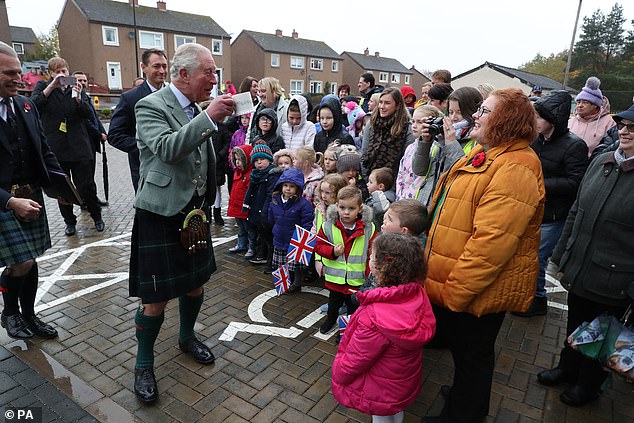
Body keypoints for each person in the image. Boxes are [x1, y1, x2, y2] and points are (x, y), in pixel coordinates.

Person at [423, 88, 545, 423]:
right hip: (459, 282)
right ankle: (462, 397)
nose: (476, 115)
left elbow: (491, 245)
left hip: (474, 289)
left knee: (473, 359)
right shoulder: (488, 152)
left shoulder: (516, 168)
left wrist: (455, 293)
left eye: (485, 111)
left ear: (506, 121)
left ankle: (464, 415)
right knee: (465, 357)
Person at [128, 42, 235, 403]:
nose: (214, 79)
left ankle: (187, 338)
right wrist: (208, 119)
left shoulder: (197, 108)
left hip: (194, 212)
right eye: (209, 72)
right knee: (155, 298)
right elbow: (168, 149)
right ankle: (144, 363)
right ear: (185, 74)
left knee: (195, 284)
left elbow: (202, 157)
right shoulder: (150, 105)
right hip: (160, 213)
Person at [537, 104, 634, 407]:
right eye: (622, 125)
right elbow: (576, 211)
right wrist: (561, 255)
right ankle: (567, 369)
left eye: (633, 128)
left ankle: (589, 386)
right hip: (581, 268)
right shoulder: (603, 161)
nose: (624, 131)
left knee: (601, 334)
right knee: (576, 324)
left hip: (616, 280)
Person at [331, 233, 435, 423]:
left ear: (384, 267)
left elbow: (357, 358)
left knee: (381, 415)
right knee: (394, 409)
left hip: (379, 385)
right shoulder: (417, 293)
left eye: (372, 255)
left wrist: (339, 373)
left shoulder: (374, 316)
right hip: (400, 378)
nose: (369, 257)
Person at [0, 42, 63, 340]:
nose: (19, 78)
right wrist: (10, 201)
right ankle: (10, 313)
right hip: (4, 200)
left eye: (19, 72)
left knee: (31, 258)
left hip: (31, 193)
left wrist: (61, 186)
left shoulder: (26, 105)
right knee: (22, 260)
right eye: (9, 73)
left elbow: (44, 150)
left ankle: (29, 316)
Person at [513, 91, 588, 317]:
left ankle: (537, 299)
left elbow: (576, 182)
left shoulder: (575, 145)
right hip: (531, 209)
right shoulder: (535, 139)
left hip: (554, 215)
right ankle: (527, 296)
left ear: (552, 120)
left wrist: (538, 183)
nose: (533, 121)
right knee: (527, 256)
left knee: (536, 258)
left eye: (538, 117)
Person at [31, 56, 104, 236]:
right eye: (57, 72)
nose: (61, 74)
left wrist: (78, 97)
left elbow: (87, 114)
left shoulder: (76, 87)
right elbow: (34, 105)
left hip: (79, 147)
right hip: (56, 148)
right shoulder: (43, 87)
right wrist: (52, 86)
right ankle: (69, 221)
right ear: (51, 73)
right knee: (63, 190)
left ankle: (96, 216)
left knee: (86, 186)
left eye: (64, 71)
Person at [315, 186, 377, 334]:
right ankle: (330, 320)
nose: (346, 212)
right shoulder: (328, 226)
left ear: (360, 209)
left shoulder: (369, 228)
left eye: (351, 208)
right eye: (342, 208)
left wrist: (368, 275)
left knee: (352, 307)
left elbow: (373, 254)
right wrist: (332, 251)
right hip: (335, 278)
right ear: (337, 206)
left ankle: (347, 331)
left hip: (357, 279)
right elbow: (318, 247)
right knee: (333, 303)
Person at [108, 49, 168, 192]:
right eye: (156, 66)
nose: (162, 71)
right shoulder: (130, 98)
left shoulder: (174, 94)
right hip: (145, 171)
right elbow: (115, 135)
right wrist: (144, 148)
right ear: (143, 67)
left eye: (164, 66)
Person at [268, 167, 314, 292]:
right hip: (279, 237)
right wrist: (274, 229)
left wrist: (303, 237)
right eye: (285, 185)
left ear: (298, 188)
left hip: (295, 240)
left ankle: (297, 283)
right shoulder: (275, 201)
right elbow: (271, 218)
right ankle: (284, 283)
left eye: (292, 186)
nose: (288, 189)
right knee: (281, 263)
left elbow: (307, 222)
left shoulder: (303, 204)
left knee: (297, 265)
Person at [73, 71, 109, 208]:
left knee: (90, 174)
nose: (82, 83)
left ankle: (92, 198)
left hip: (91, 142)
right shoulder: (75, 98)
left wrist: (102, 131)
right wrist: (98, 134)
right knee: (84, 176)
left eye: (84, 80)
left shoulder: (86, 96)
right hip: (83, 141)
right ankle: (85, 201)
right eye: (79, 80)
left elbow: (94, 117)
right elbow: (86, 121)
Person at [361, 87, 415, 178]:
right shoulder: (372, 124)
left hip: (394, 180)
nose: (382, 106)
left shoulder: (407, 129)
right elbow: (364, 155)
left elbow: (407, 161)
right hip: (369, 178)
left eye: (387, 103)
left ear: (398, 105)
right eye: (380, 102)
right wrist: (368, 179)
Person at [242, 142, 279, 268]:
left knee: (268, 235)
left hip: (266, 211)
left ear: (269, 160)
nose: (259, 163)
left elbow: (270, 195)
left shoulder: (272, 175)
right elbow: (250, 192)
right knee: (261, 233)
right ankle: (262, 254)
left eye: (262, 159)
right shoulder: (255, 174)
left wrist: (264, 212)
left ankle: (270, 258)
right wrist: (246, 205)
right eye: (256, 160)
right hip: (256, 209)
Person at [395, 105, 442, 201]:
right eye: (413, 121)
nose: (414, 125)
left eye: (420, 122)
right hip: (403, 199)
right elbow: (401, 174)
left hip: (419, 200)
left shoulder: (435, 148)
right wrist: (399, 196)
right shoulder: (410, 147)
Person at [568, 77, 616, 157]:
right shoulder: (570, 121)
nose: (580, 105)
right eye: (578, 102)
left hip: (595, 162)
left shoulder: (610, 123)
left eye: (585, 102)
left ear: (595, 105)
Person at [312, 173, 348, 277]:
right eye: (322, 191)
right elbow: (315, 226)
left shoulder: (343, 212)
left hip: (338, 256)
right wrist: (312, 236)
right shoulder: (320, 208)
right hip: (321, 253)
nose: (323, 196)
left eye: (327, 192)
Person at [227, 145, 256, 258]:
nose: (237, 162)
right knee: (241, 228)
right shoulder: (237, 172)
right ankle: (241, 244)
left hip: (245, 208)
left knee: (250, 229)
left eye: (240, 159)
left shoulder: (250, 174)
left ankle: (252, 247)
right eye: (236, 159)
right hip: (237, 207)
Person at [246, 77, 287, 143]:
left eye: (263, 91)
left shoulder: (286, 109)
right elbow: (249, 134)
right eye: (259, 91)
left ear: (274, 91)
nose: (260, 95)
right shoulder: (256, 109)